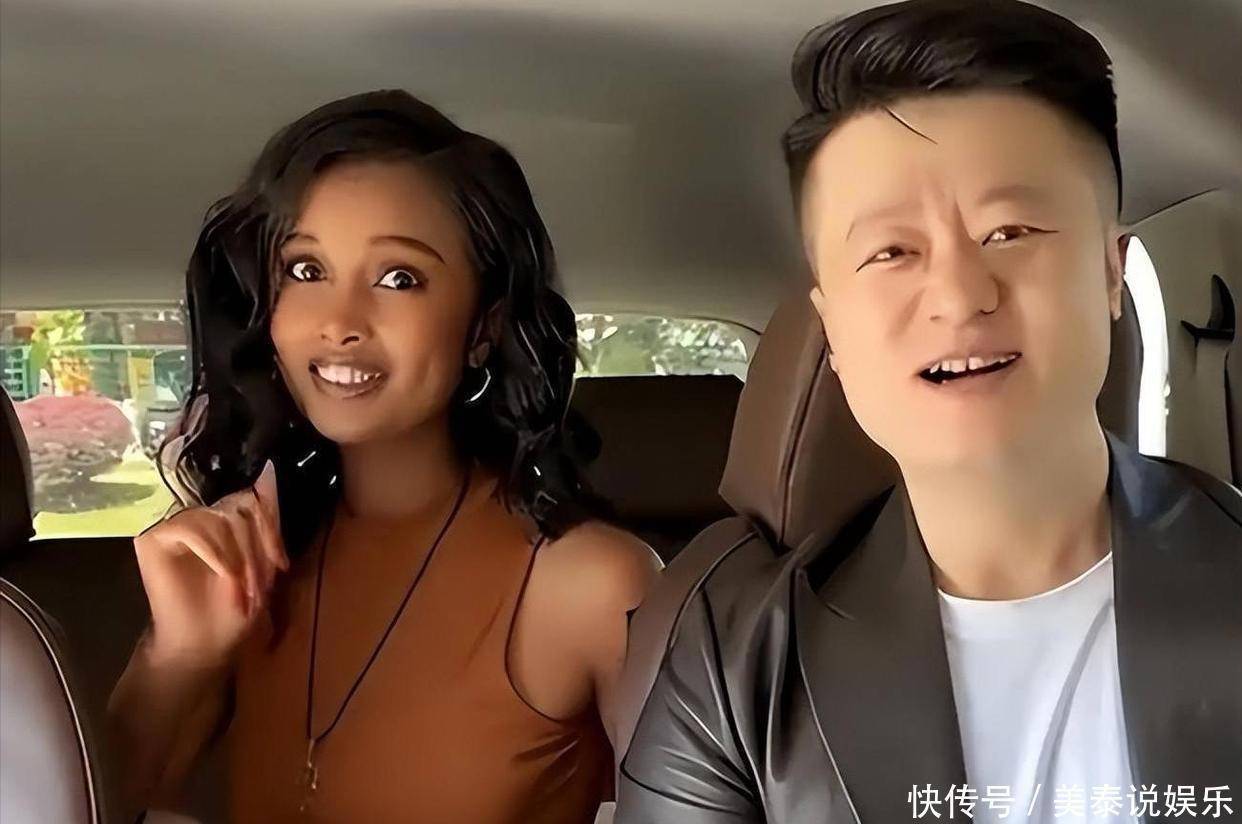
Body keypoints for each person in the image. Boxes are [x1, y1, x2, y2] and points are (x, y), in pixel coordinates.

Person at [616, 2, 1242, 822]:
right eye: (892, 252)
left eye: (1009, 231)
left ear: (1109, 273)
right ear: (833, 331)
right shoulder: (732, 673)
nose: (958, 295)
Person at [108, 89, 659, 823]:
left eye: (399, 278)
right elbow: (90, 807)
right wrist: (178, 654)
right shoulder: (250, 569)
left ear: (483, 327)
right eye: (305, 270)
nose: (339, 322)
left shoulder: (591, 586)